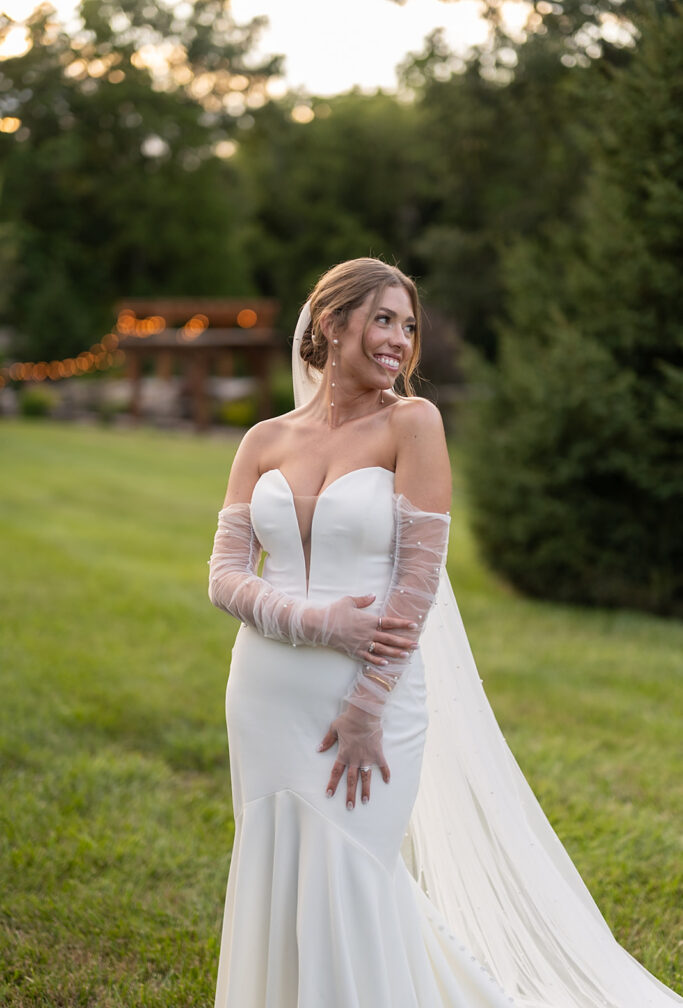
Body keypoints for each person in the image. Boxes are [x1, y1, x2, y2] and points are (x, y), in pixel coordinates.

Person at [208, 258, 682, 1008]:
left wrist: (368, 705)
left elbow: (416, 585)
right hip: (264, 691)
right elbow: (224, 576)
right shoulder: (264, 438)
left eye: (408, 325)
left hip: (368, 696)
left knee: (353, 869)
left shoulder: (412, 424)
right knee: (277, 865)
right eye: (382, 320)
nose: (399, 339)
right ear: (331, 324)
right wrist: (316, 620)